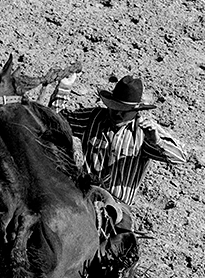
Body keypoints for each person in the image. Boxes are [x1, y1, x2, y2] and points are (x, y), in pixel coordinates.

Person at [49, 74, 187, 206]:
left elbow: (179, 157)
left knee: (122, 222)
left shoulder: (145, 131)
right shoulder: (92, 118)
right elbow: (57, 120)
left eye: (124, 111)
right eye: (114, 108)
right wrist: (64, 87)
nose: (118, 114)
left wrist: (157, 141)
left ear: (136, 111)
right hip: (84, 194)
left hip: (119, 203)